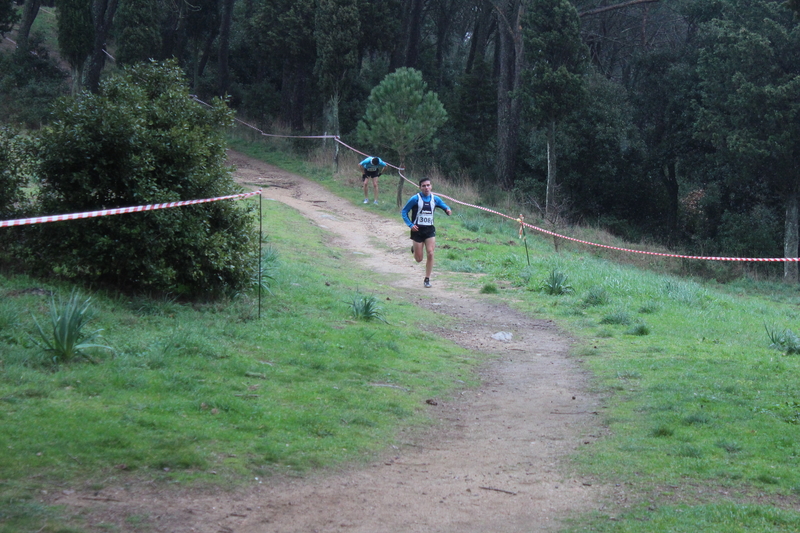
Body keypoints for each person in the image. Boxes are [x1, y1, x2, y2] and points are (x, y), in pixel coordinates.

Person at [401, 177, 452, 288]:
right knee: (419, 259)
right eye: (424, 186)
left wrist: (448, 210)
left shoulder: (435, 199)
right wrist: (410, 225)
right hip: (417, 230)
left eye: (428, 185)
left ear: (431, 186)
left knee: (430, 252)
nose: (426, 188)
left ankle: (427, 279)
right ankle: (415, 249)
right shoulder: (415, 199)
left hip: (429, 230)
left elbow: (445, 206)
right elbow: (404, 212)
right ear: (420, 187)